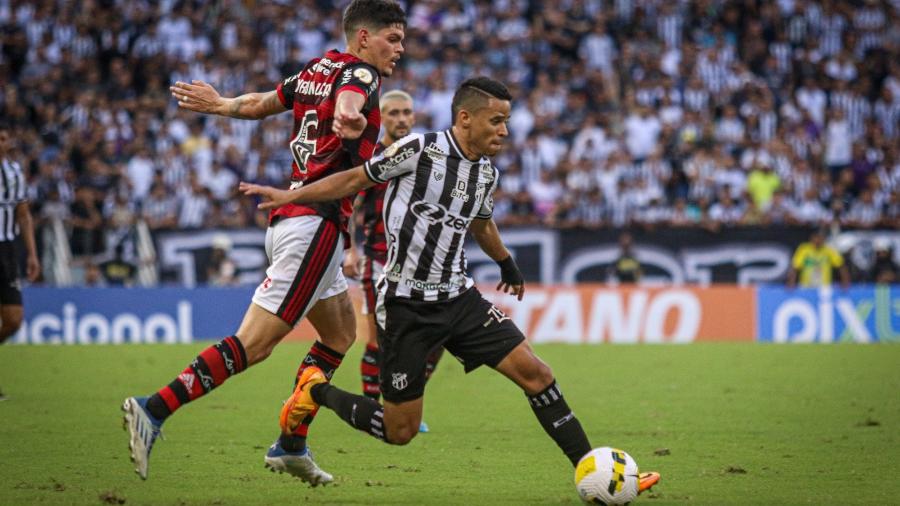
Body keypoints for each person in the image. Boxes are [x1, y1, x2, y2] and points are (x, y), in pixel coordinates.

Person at [240, 77, 660, 493]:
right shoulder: (418, 151)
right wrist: (292, 196)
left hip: (459, 297)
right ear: (465, 117)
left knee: (537, 375)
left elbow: (481, 222)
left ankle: (594, 470)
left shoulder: (485, 174)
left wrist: (506, 262)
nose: (505, 131)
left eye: (507, 121)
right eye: (496, 121)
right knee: (399, 430)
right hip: (406, 305)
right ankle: (316, 390)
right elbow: (354, 180)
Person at [122, 0, 407, 485]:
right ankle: (153, 408)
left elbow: (259, 103)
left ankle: (291, 443)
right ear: (363, 37)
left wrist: (221, 105)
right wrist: (350, 119)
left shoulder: (317, 68)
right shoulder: (361, 75)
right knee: (253, 345)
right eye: (392, 39)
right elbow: (350, 102)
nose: (399, 49)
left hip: (303, 223)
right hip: (314, 227)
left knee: (339, 335)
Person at [342, 90, 443, 432]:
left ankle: (406, 403)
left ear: (414, 117)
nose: (401, 119)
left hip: (418, 264)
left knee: (436, 339)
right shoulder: (373, 157)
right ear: (381, 117)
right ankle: (375, 407)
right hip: (379, 261)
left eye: (406, 113)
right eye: (393, 113)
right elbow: (351, 203)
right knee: (380, 340)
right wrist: (350, 250)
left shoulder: (424, 155)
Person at [0, 123, 41, 400]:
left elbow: (24, 216)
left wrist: (32, 254)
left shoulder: (13, 174)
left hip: (6, 250)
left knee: (14, 319)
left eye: (5, 137)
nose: (4, 142)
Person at [786, 229, 851, 289]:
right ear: (811, 238)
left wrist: (845, 281)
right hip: (806, 286)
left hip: (824, 286)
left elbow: (841, 266)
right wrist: (791, 282)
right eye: (816, 238)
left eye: (821, 238)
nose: (818, 240)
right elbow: (795, 267)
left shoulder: (829, 250)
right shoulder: (804, 249)